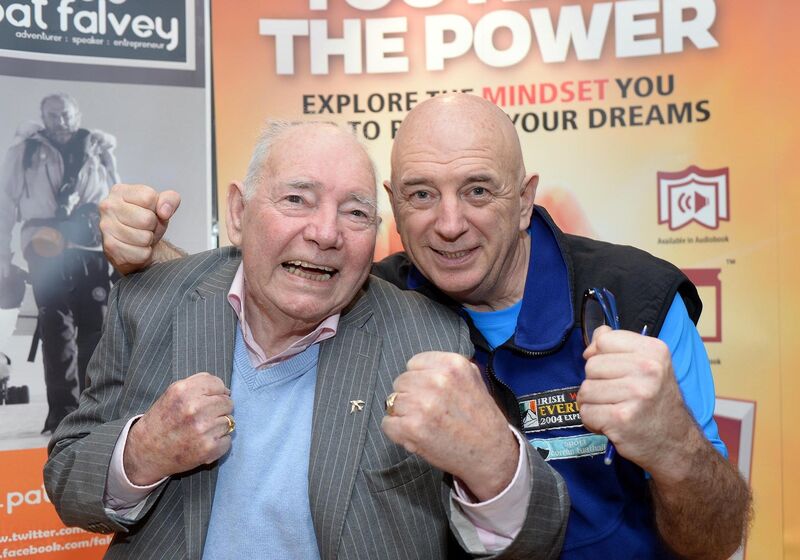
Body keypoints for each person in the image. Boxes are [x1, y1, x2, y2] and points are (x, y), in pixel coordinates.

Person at [99, 95, 752, 559]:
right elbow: (263, 283)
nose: (448, 223)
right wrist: (148, 254)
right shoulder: (371, 294)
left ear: (525, 200)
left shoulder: (636, 302)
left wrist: (672, 446)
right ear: (391, 206)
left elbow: (718, 539)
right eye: (420, 194)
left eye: (478, 190)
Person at [44, 121, 568, 559]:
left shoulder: (428, 335)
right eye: (297, 199)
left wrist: (494, 466)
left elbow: (538, 536)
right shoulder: (149, 301)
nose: (325, 233)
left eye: (355, 212)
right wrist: (142, 453)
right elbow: (67, 478)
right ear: (239, 213)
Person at [0, 93, 118, 434]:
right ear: (43, 118)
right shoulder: (25, 151)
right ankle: (63, 416)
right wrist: (3, 256)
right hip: (44, 248)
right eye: (52, 115)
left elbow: (116, 198)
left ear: (77, 114)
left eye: (65, 114)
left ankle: (92, 414)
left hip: (91, 247)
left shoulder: (97, 149)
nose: (60, 121)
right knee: (55, 329)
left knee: (96, 331)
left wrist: (119, 252)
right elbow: (5, 204)